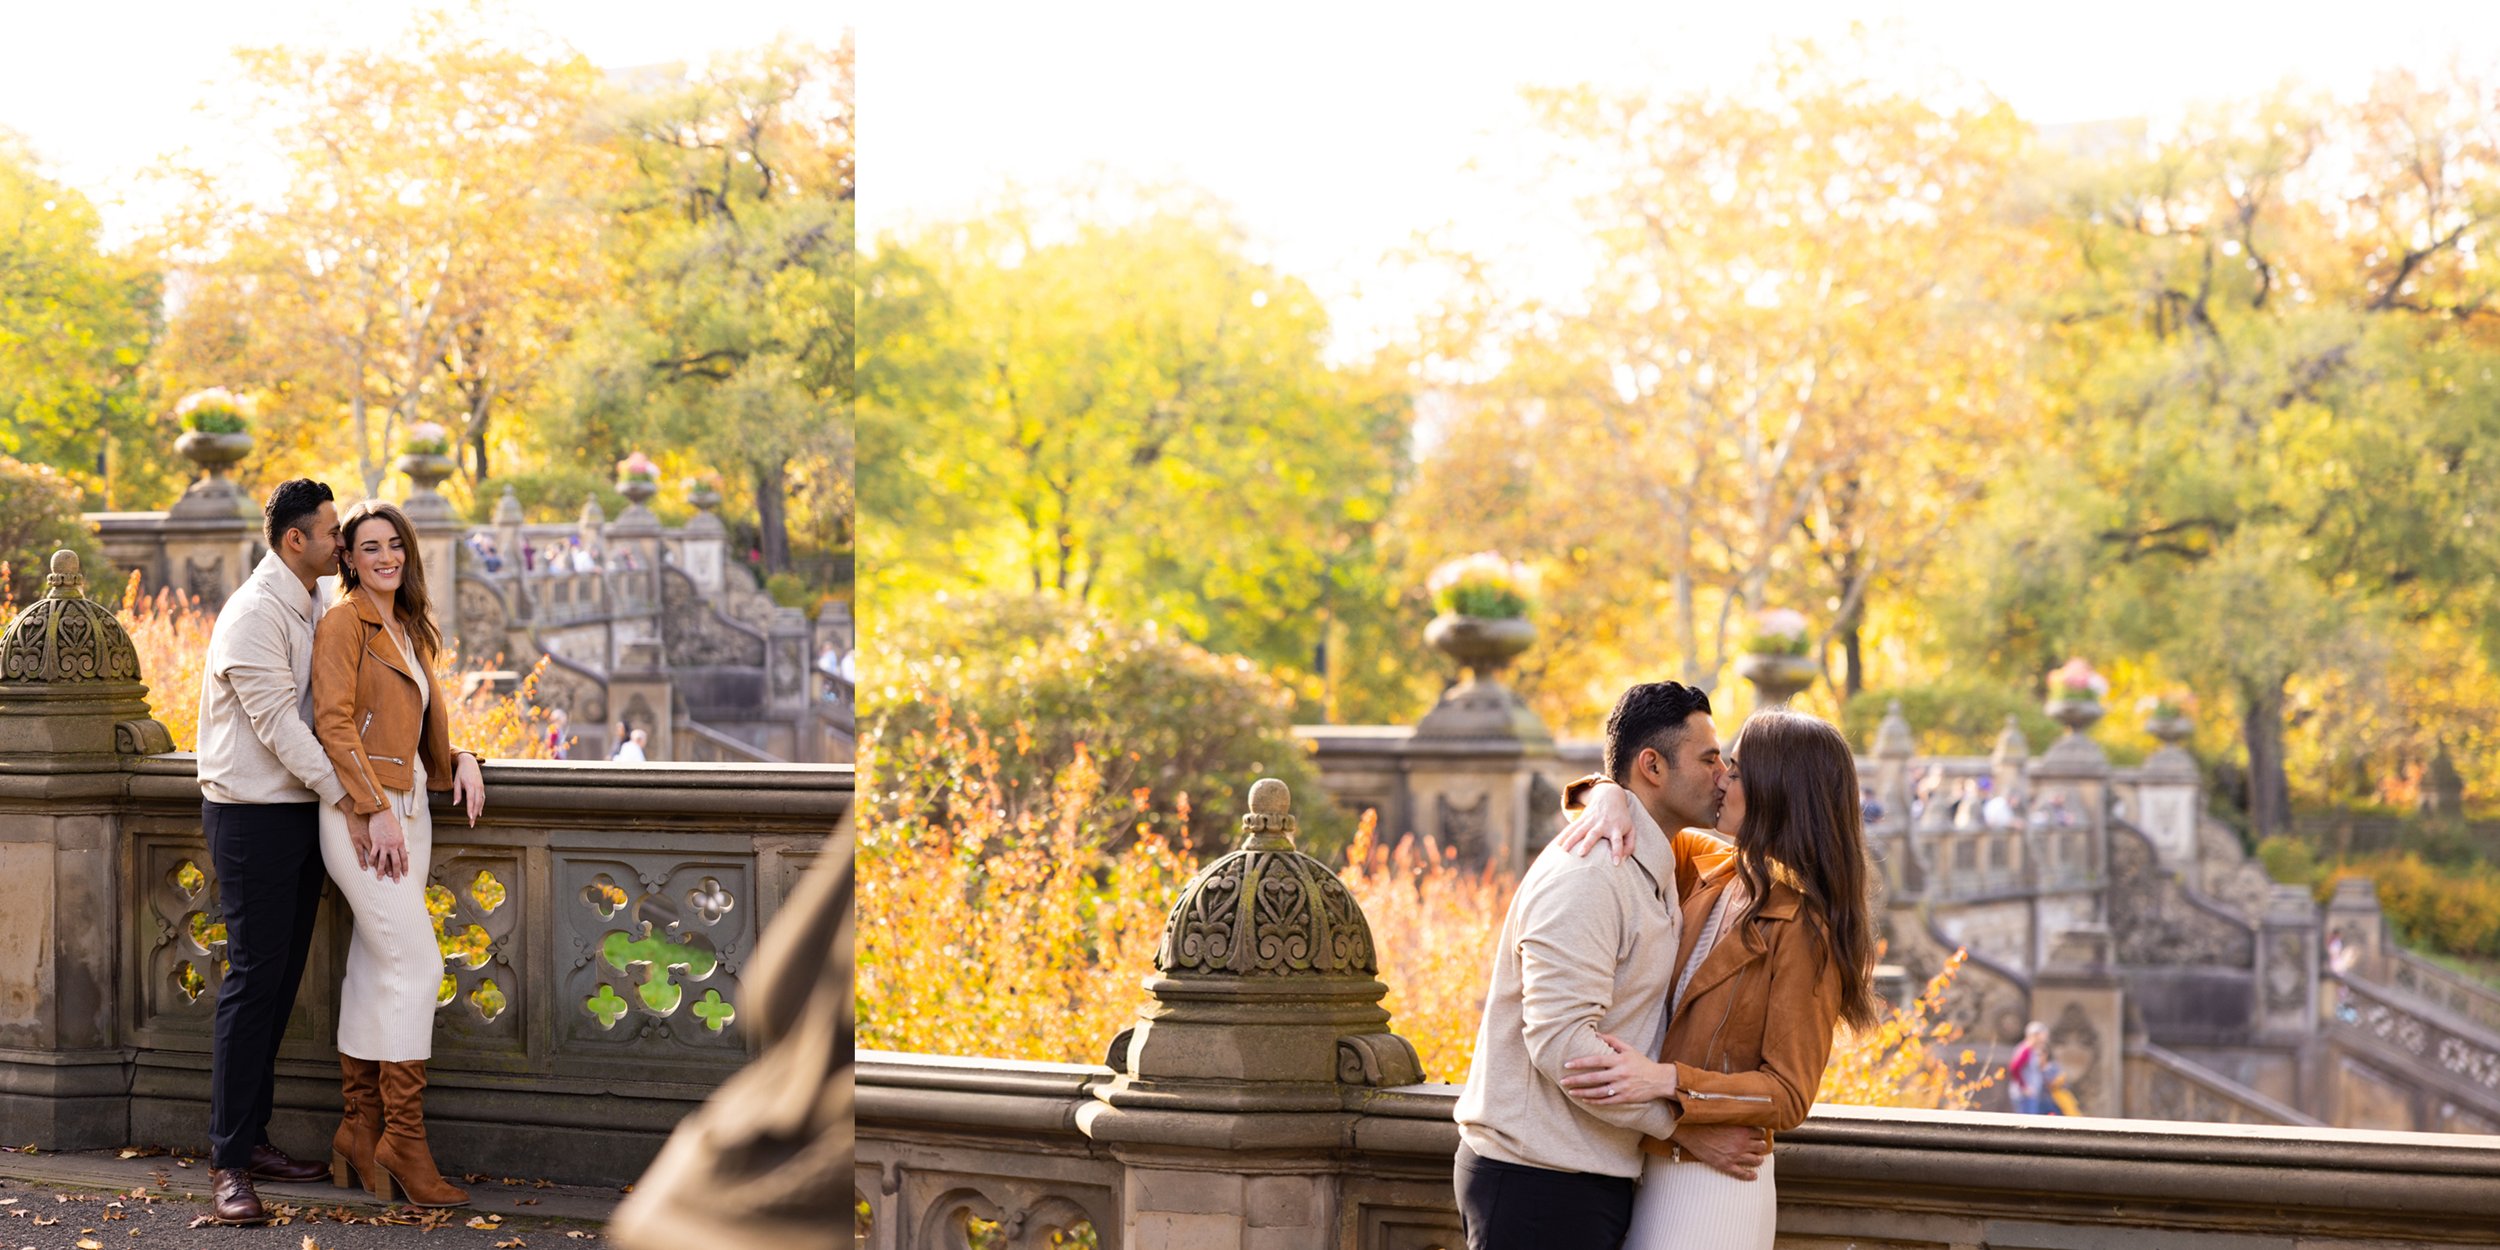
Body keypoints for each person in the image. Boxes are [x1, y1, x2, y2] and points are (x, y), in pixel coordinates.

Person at [1451, 682, 1767, 1250]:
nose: (1723, 774)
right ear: (1652, 766)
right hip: (1537, 1182)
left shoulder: (1656, 858)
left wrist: (1604, 792)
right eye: (1708, 757)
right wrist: (1684, 1124)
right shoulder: (1592, 876)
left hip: (1581, 1175)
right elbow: (1564, 1044)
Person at [1551, 710, 1882, 1250]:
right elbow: (1633, 809)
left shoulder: (1803, 927)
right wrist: (1609, 794)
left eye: (1739, 770)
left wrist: (1664, 1081)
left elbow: (1790, 1093)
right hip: (1655, 1159)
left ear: (1780, 792)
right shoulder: (1709, 865)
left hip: (1718, 1183)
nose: (1722, 779)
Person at [310, 500, 487, 1209]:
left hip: (409, 808)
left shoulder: (407, 626)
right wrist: (372, 808)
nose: (385, 557)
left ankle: (358, 1130)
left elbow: (416, 723)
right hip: (364, 816)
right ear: (348, 558)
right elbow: (333, 721)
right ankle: (403, 1144)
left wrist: (461, 756)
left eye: (395, 546)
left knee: (373, 966)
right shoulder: (342, 623)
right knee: (418, 963)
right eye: (369, 547)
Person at [194, 479, 355, 1224]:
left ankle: (253, 1140)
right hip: (252, 821)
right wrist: (352, 795)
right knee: (253, 984)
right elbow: (279, 731)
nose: (342, 542)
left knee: (281, 983)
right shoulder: (255, 614)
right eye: (332, 532)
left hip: (296, 816)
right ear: (297, 541)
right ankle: (229, 1165)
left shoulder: (310, 600)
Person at [2007, 1021, 2060, 1115]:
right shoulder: (2025, 1050)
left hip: (2031, 1094)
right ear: (2035, 1035)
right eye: (2042, 1036)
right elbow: (2014, 1068)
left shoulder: (2032, 1050)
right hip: (2025, 1095)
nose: (2043, 1039)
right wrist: (2024, 1087)